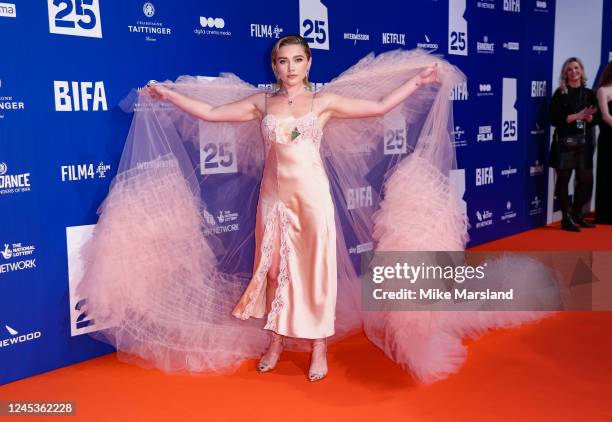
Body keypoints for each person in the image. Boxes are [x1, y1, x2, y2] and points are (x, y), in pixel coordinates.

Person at [77, 35, 558, 384]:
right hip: (273, 200)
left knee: (313, 272)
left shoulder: (323, 101)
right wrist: (168, 95)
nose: (289, 67)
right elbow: (210, 114)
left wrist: (418, 81)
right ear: (275, 65)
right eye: (282, 61)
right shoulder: (260, 104)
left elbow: (378, 107)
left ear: (308, 63)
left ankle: (318, 348)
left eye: (297, 60)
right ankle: (274, 340)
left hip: (312, 200)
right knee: (269, 273)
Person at [549, 57, 599, 231]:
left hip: (584, 143)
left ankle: (577, 214)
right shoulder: (560, 93)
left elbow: (596, 118)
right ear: (565, 73)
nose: (574, 71)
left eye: (576, 68)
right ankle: (565, 218)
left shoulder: (589, 94)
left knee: (585, 181)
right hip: (564, 143)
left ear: (582, 70)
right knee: (563, 180)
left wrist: (590, 118)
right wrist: (577, 116)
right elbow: (554, 119)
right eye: (569, 69)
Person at [595, 62, 612, 224]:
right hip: (608, 138)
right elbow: (606, 116)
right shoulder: (602, 90)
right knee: (607, 173)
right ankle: (606, 214)